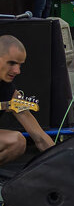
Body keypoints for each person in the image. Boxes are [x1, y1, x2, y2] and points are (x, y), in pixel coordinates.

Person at [0, 35, 54, 165]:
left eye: (19, 65)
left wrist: (60, 158)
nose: (17, 71)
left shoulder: (7, 87)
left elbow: (38, 136)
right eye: (11, 63)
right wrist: (4, 105)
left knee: (17, 142)